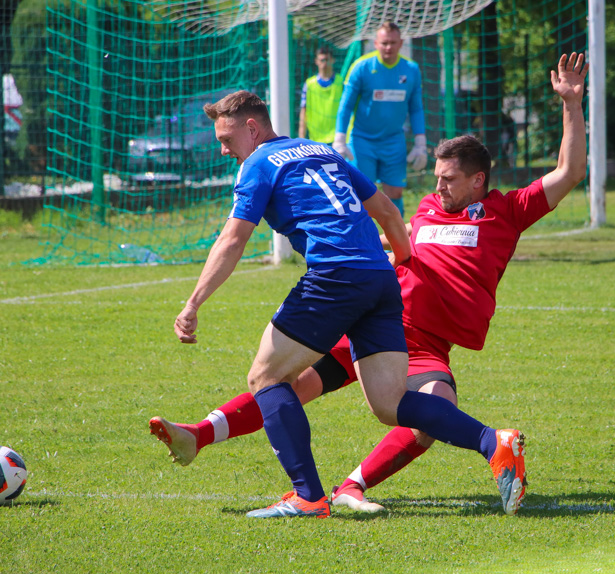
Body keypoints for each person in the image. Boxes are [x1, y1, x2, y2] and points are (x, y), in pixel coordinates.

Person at [150, 53, 588, 513]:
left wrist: (571, 106)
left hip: (411, 333)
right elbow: (389, 218)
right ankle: (200, 436)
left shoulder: (507, 210)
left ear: (479, 180)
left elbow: (569, 172)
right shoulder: (413, 202)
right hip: (378, 299)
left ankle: (322, 493)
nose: (439, 187)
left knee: (278, 379)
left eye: (450, 179)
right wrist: (393, 258)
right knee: (313, 390)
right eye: (437, 177)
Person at [333, 21, 428, 218]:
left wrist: (420, 143)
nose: (388, 47)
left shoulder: (411, 70)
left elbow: (416, 108)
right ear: (376, 43)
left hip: (394, 140)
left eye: (393, 43)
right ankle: (363, 244)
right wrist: (339, 139)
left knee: (395, 193)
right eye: (384, 43)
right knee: (362, 194)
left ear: (401, 43)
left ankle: (398, 244)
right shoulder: (362, 68)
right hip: (362, 140)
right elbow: (346, 105)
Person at [297, 46, 343, 144]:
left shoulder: (341, 82)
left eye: (327, 59)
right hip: (315, 141)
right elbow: (303, 112)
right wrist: (301, 139)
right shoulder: (309, 84)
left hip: (337, 140)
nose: (324, 63)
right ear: (316, 61)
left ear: (333, 60)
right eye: (322, 60)